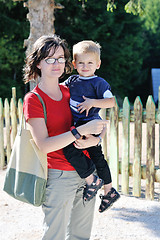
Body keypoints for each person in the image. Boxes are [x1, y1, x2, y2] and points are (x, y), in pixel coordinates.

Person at [23, 34, 107, 240]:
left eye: (61, 58)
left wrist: (97, 139)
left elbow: (98, 123)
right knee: (55, 236)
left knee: (80, 236)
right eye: (50, 59)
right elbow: (44, 145)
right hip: (59, 176)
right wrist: (79, 132)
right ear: (38, 64)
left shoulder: (72, 90)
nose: (57, 64)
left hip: (89, 173)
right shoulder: (34, 99)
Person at [63, 40, 120, 213]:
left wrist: (93, 102)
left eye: (90, 62)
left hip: (90, 125)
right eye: (80, 62)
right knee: (84, 153)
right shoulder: (72, 80)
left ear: (98, 64)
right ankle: (107, 190)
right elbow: (58, 90)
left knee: (88, 154)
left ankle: (98, 183)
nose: (85, 66)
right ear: (74, 64)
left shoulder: (99, 83)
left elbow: (111, 102)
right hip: (78, 125)